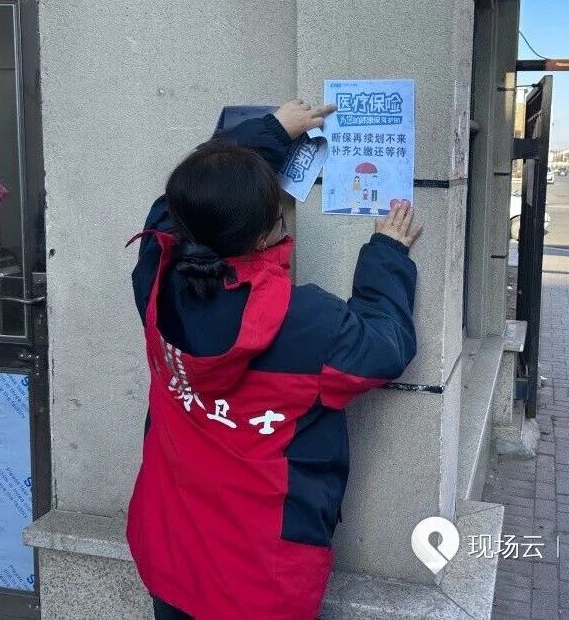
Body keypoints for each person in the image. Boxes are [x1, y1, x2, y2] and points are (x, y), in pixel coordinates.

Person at [126, 99, 423, 620]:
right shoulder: (305, 322)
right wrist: (386, 253)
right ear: (267, 232)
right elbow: (385, 347)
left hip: (170, 551)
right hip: (261, 581)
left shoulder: (157, 275)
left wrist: (269, 130)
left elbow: (176, 203)